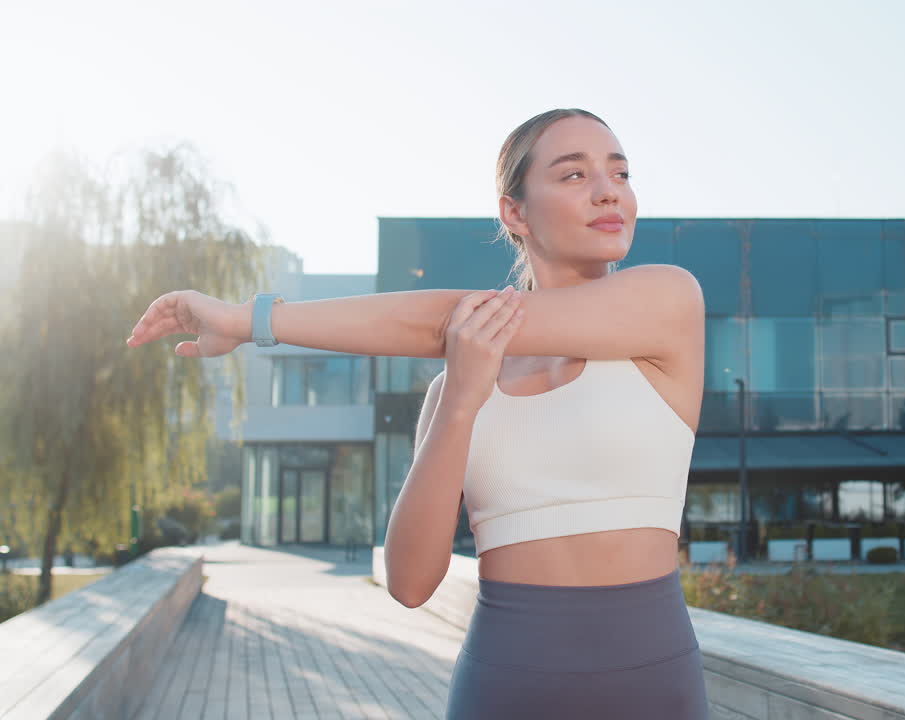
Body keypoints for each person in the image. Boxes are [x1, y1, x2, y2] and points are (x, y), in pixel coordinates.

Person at [125, 108, 710, 718]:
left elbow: (444, 319)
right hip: (504, 687)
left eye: (619, 171)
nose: (607, 189)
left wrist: (250, 321)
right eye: (573, 175)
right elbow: (408, 583)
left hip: (654, 688)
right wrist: (460, 402)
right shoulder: (451, 389)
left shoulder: (668, 303)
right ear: (514, 212)